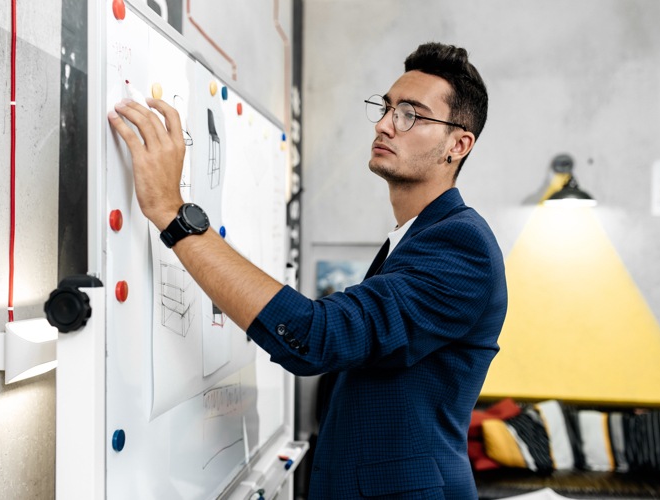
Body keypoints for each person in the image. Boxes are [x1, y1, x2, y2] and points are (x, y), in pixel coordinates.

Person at [108, 42, 508, 499]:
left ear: (458, 145)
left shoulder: (462, 244)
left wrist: (172, 212)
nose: (383, 124)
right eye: (386, 108)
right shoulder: (411, 239)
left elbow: (318, 338)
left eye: (410, 115)